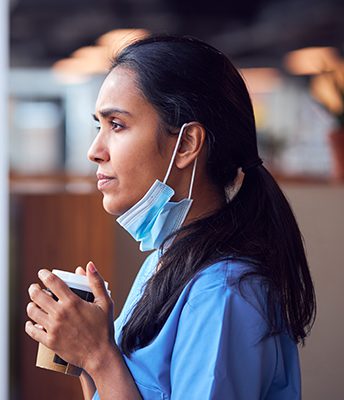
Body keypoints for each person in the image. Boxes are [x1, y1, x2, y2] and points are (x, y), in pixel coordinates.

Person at [24, 35, 316, 399]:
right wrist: (83, 354)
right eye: (98, 125)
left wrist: (99, 355)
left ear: (188, 144)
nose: (94, 151)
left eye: (117, 125)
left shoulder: (223, 294)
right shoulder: (164, 263)